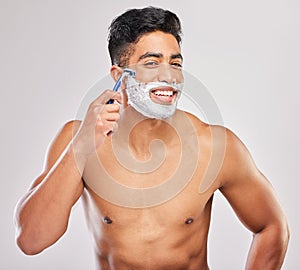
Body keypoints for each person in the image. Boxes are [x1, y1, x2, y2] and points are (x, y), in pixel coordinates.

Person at [14, 6, 289, 270]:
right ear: (119, 76)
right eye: (151, 62)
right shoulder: (78, 139)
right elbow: (31, 240)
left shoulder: (216, 145)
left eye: (175, 63)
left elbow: (272, 226)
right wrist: (83, 144)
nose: (168, 75)